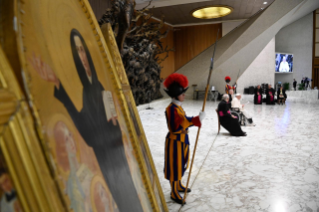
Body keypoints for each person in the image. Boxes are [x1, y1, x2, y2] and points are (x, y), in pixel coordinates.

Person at [30, 29, 143, 212]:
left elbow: (100, 126)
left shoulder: (96, 85)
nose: (81, 55)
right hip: (106, 155)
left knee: (126, 191)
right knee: (122, 195)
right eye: (77, 51)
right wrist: (59, 86)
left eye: (83, 49)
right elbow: (88, 133)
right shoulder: (88, 89)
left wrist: (115, 126)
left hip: (114, 152)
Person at [163, 73, 205, 204]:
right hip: (175, 142)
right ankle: (174, 191)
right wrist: (195, 120)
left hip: (182, 141)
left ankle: (179, 184)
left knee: (181, 164)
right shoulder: (171, 109)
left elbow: (184, 121)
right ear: (176, 95)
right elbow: (175, 127)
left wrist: (195, 120)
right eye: (182, 94)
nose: (184, 95)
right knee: (175, 166)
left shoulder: (178, 107)